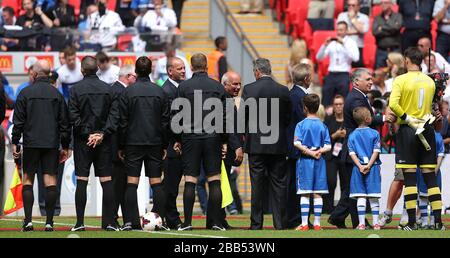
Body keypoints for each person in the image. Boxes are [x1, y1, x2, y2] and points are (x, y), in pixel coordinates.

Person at [388, 47, 444, 230]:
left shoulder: (400, 79)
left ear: (406, 60)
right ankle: (438, 222)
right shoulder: (430, 81)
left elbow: (393, 105)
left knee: (410, 178)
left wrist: (406, 118)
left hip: (409, 130)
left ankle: (411, 222)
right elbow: (434, 105)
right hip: (427, 129)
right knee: (430, 179)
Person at [12, 60, 70, 232]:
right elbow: (64, 124)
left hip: (31, 143)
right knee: (50, 182)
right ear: (49, 72)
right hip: (51, 143)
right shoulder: (57, 94)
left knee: (28, 180)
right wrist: (65, 146)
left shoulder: (25, 92)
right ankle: (49, 222)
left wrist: (16, 142)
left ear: (34, 74)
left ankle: (28, 222)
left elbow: (18, 122)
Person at [328, 68, 388, 229]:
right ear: (356, 82)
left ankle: (345, 219)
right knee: (353, 190)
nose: (371, 81)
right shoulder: (356, 99)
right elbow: (364, 118)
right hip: (355, 151)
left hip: (353, 149)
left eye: (371, 78)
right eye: (367, 79)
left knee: (352, 189)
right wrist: (384, 118)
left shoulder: (358, 96)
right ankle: (347, 219)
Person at [173, 53, 227, 231]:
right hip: (212, 137)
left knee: (190, 180)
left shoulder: (183, 87)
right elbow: (225, 117)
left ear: (191, 66)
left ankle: (187, 223)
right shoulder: (218, 87)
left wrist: (177, 139)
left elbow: (177, 116)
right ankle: (215, 223)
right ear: (206, 66)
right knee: (214, 180)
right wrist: (224, 140)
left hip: (190, 137)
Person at [118, 56, 170, 231]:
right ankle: (157, 220)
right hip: (155, 142)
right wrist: (164, 144)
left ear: (136, 70)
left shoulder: (128, 92)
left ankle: (130, 222)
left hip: (133, 142)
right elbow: (165, 122)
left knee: (132, 183)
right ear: (150, 70)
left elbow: (122, 122)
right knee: (156, 183)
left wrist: (121, 146)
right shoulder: (160, 91)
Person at [68, 56, 120, 231]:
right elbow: (114, 117)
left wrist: (88, 133)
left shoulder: (75, 90)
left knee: (82, 180)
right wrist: (101, 134)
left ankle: (79, 223)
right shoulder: (109, 89)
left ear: (82, 70)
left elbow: (73, 117)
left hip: (83, 142)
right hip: (104, 142)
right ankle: (109, 223)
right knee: (106, 181)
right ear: (97, 68)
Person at [240, 58, 291, 230]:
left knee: (257, 186)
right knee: (279, 185)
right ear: (269, 69)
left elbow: (242, 119)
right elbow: (287, 119)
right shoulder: (283, 90)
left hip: (256, 145)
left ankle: (256, 224)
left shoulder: (249, 89)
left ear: (257, 72)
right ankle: (281, 223)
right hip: (278, 145)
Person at [293, 94, 331, 231]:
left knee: (305, 192)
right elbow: (329, 146)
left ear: (305, 108)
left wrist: (310, 152)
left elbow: (296, 143)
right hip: (319, 161)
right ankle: (317, 224)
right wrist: (319, 151)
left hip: (305, 162)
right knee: (318, 193)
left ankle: (304, 224)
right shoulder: (322, 125)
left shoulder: (301, 125)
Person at [348, 107, 382, 230]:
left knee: (360, 196)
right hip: (372, 168)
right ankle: (376, 223)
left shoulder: (352, 135)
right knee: (373, 196)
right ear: (368, 119)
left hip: (358, 170)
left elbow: (352, 154)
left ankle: (361, 224)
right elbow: (376, 151)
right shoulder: (375, 133)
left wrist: (360, 166)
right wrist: (369, 165)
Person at [110, 65, 136, 227]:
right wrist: (122, 146)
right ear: (127, 76)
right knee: (120, 184)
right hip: (119, 147)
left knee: (118, 184)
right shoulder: (122, 92)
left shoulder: (113, 89)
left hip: (114, 145)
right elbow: (121, 122)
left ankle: (120, 218)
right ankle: (122, 219)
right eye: (134, 76)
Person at [161, 57, 186, 229]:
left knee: (173, 184)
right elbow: (169, 121)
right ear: (170, 71)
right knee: (170, 185)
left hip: (181, 143)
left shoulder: (181, 88)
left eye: (184, 68)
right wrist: (176, 140)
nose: (183, 71)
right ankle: (172, 218)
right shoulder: (167, 91)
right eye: (180, 68)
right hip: (172, 144)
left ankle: (161, 214)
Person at [218, 71, 244, 228]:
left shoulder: (226, 99)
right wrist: (237, 147)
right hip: (224, 150)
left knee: (222, 185)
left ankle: (218, 219)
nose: (238, 87)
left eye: (239, 84)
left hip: (223, 148)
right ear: (224, 84)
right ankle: (218, 219)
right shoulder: (225, 100)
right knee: (221, 184)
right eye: (234, 84)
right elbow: (228, 126)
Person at [285, 63, 310, 228]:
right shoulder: (297, 96)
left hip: (295, 146)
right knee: (295, 185)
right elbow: (301, 122)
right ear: (307, 78)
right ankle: (294, 219)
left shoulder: (293, 94)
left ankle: (297, 219)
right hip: (296, 148)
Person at [316, 21, 359, 107]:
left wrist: (343, 44)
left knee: (343, 98)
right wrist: (324, 45)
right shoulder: (332, 42)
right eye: (338, 30)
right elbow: (318, 57)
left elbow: (356, 58)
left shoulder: (351, 42)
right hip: (331, 74)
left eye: (341, 30)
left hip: (344, 74)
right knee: (326, 96)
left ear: (346, 30)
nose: (339, 32)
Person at [416, 126, 445, 229]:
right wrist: (435, 170)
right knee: (432, 196)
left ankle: (427, 222)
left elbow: (440, 154)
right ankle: (431, 222)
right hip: (432, 171)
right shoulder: (438, 136)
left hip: (424, 170)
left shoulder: (422, 134)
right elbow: (440, 155)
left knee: (425, 197)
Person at [323, 95, 346, 214]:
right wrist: (335, 135)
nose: (338, 106)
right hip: (331, 156)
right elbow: (324, 139)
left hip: (345, 156)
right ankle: (329, 208)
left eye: (340, 104)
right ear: (333, 106)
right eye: (336, 104)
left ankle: (342, 210)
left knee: (344, 183)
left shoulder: (348, 120)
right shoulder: (328, 120)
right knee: (330, 182)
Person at [336, 0, 370, 67]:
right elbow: (340, 31)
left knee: (357, 71)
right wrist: (357, 31)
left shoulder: (364, 17)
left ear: (358, 7)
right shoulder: (341, 16)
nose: (351, 7)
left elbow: (363, 30)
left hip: (358, 47)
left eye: (353, 5)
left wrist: (353, 19)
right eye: (349, 5)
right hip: (343, 46)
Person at [372, 0, 403, 69]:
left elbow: (396, 28)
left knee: (397, 72)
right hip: (381, 50)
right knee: (379, 74)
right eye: (381, 3)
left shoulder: (398, 16)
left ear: (390, 4)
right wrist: (391, 28)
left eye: (385, 3)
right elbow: (375, 32)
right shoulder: (377, 18)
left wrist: (381, 27)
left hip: (395, 50)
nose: (383, 5)